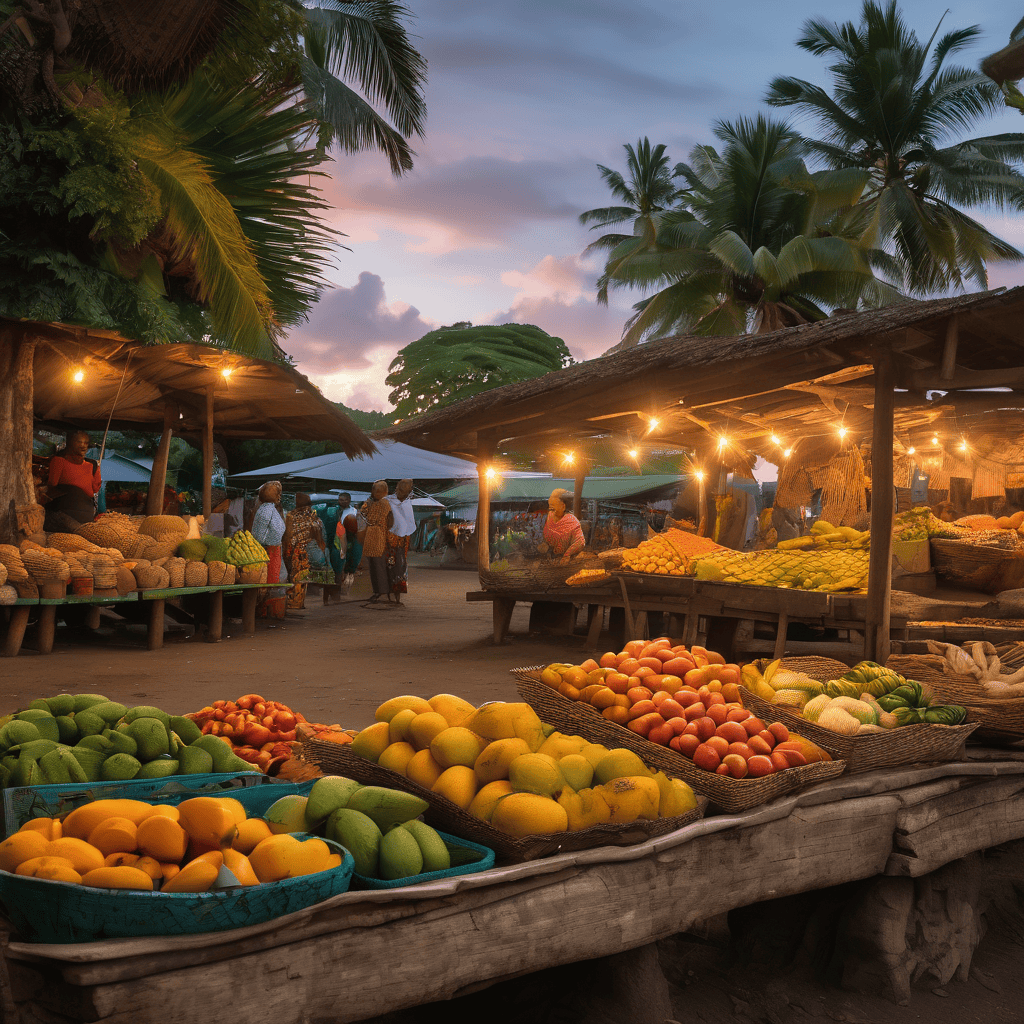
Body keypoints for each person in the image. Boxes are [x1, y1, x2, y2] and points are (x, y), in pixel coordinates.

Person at [44, 430, 101, 530]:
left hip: (63, 512)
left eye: (86, 443)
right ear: (71, 443)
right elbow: (96, 489)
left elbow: (52, 483)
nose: (83, 446)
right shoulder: (93, 465)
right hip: (85, 515)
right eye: (79, 442)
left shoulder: (58, 460)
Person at [284, 493, 330, 610]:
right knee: (304, 577)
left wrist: (287, 552)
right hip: (313, 555)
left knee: (295, 577)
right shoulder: (315, 518)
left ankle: (294, 602)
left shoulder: (290, 516)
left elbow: (288, 536)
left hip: (296, 553)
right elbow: (323, 538)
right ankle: (303, 602)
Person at [250, 481, 287, 620]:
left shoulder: (267, 509)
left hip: (272, 549)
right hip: (268, 550)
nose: (280, 497)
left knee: (275, 579)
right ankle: (266, 612)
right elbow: (261, 535)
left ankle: (269, 611)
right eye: (278, 494)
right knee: (271, 581)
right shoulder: (266, 510)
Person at [358, 480, 393, 606]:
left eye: (379, 491)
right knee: (373, 566)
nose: (376, 493)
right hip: (370, 535)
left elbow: (374, 518)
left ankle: (382, 592)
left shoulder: (385, 503)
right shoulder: (370, 502)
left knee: (379, 565)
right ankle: (377, 591)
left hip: (380, 536)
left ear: (385, 492)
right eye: (374, 490)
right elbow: (363, 514)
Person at [386, 478, 416, 604]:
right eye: (402, 490)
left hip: (403, 541)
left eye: (406, 491)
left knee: (401, 567)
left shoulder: (408, 502)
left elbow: (409, 522)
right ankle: (388, 595)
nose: (403, 493)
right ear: (397, 488)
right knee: (389, 566)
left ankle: (397, 596)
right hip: (389, 539)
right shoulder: (388, 500)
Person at [543, 488, 586, 564]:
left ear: (563, 506)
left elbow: (580, 542)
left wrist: (567, 555)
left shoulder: (572, 521)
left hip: (568, 562)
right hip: (550, 559)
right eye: (550, 507)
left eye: (553, 506)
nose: (551, 510)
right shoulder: (550, 516)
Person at [337, 492, 361, 585]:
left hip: (349, 536)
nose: (342, 502)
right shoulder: (334, 510)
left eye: (345, 500)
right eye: (341, 500)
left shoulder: (354, 511)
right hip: (337, 536)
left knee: (350, 556)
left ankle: (349, 574)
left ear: (349, 500)